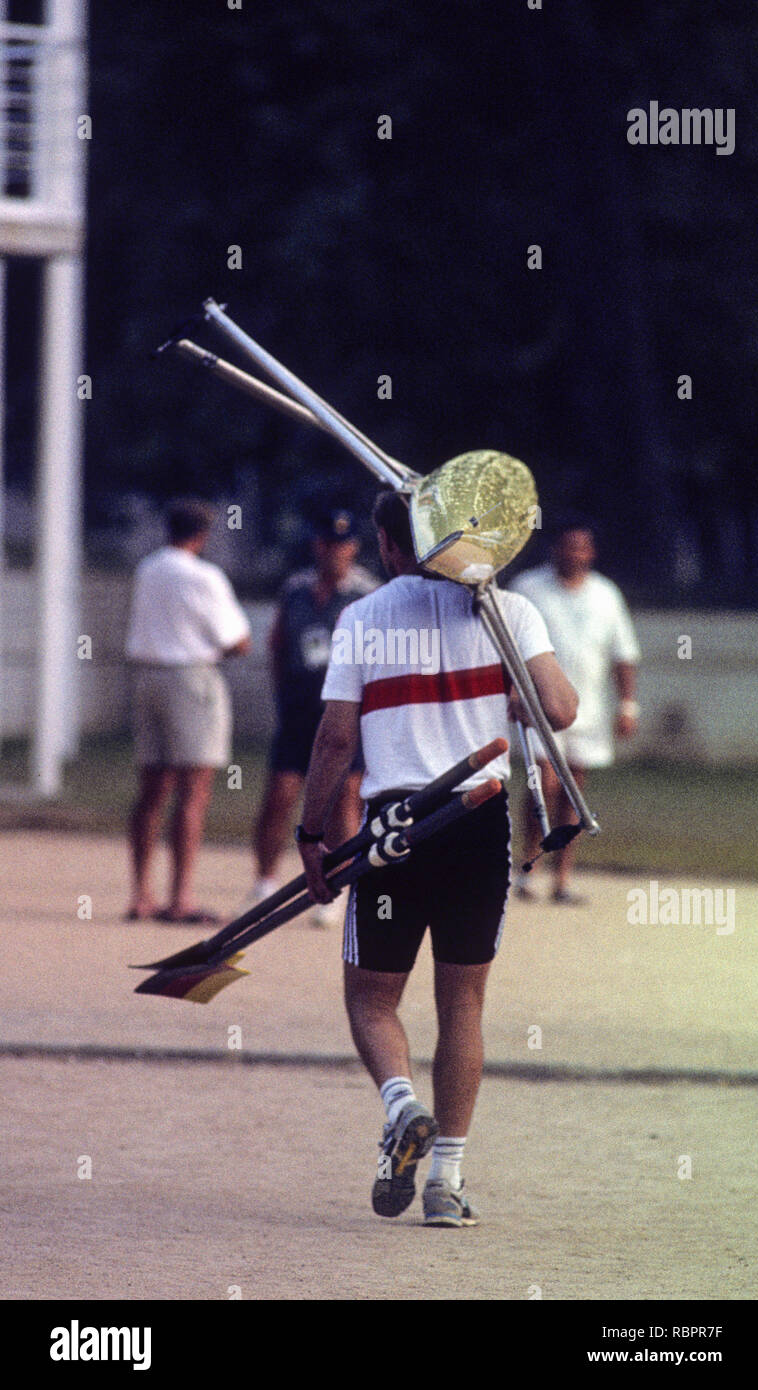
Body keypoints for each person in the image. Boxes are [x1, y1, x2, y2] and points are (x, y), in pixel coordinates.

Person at [296, 491, 578, 1227]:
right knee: (463, 1005)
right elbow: (564, 710)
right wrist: (516, 693)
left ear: (391, 548)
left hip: (396, 827)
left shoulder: (361, 618)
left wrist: (312, 833)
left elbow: (333, 742)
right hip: (478, 824)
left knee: (371, 1000)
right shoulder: (511, 613)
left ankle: (401, 1105)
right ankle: (445, 1181)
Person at [125, 497, 251, 922]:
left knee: (151, 790)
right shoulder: (204, 576)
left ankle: (141, 894)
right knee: (193, 793)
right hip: (191, 678)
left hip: (147, 677)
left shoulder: (148, 569)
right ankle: (181, 897)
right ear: (202, 534)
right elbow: (237, 640)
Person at [251, 508, 377, 925]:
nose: (333, 551)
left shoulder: (366, 593)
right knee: (281, 794)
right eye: (326, 543)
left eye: (342, 544)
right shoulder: (296, 589)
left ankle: (337, 883)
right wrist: (282, 694)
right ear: (316, 545)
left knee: (345, 799)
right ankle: (265, 880)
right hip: (300, 710)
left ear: (353, 548)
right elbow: (277, 644)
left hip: (345, 714)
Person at [509, 519, 641, 904]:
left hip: (590, 710)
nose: (575, 555)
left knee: (573, 792)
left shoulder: (606, 594)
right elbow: (507, 647)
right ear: (556, 549)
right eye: (568, 546)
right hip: (538, 707)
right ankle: (527, 867)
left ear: (592, 553)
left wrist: (627, 705)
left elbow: (624, 654)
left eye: (582, 548)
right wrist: (513, 690)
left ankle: (563, 878)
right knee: (543, 785)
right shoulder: (529, 589)